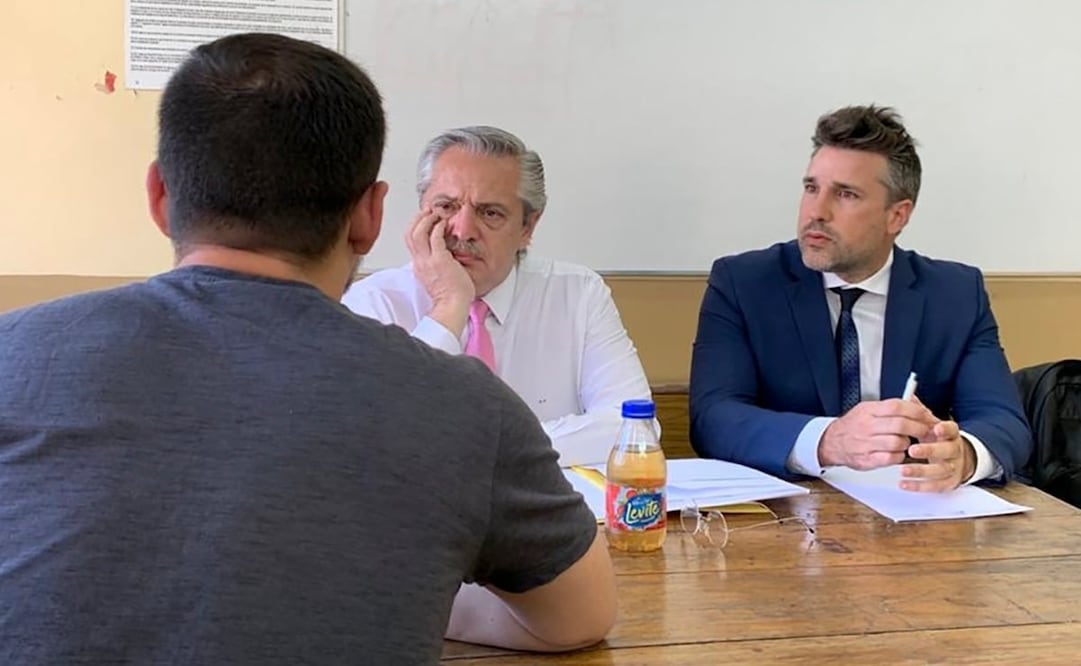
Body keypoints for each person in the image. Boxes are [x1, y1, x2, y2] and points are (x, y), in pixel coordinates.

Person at [0, 33, 615, 664]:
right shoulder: (463, 404)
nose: (462, 229)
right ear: (371, 218)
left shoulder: (10, 352)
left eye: (489, 212)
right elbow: (580, 618)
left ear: (159, 198)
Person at [689, 104, 1032, 492]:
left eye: (846, 194)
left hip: (914, 517)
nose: (816, 212)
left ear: (897, 216)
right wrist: (829, 440)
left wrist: (963, 456)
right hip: (785, 519)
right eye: (811, 188)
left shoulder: (954, 293)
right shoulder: (744, 283)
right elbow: (713, 420)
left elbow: (1004, 422)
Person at [343, 125, 652, 466]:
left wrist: (489, 448)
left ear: (527, 228)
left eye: (490, 213)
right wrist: (449, 304)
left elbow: (633, 427)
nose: (462, 230)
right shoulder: (373, 302)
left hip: (543, 512)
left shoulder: (577, 294)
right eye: (445, 207)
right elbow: (382, 436)